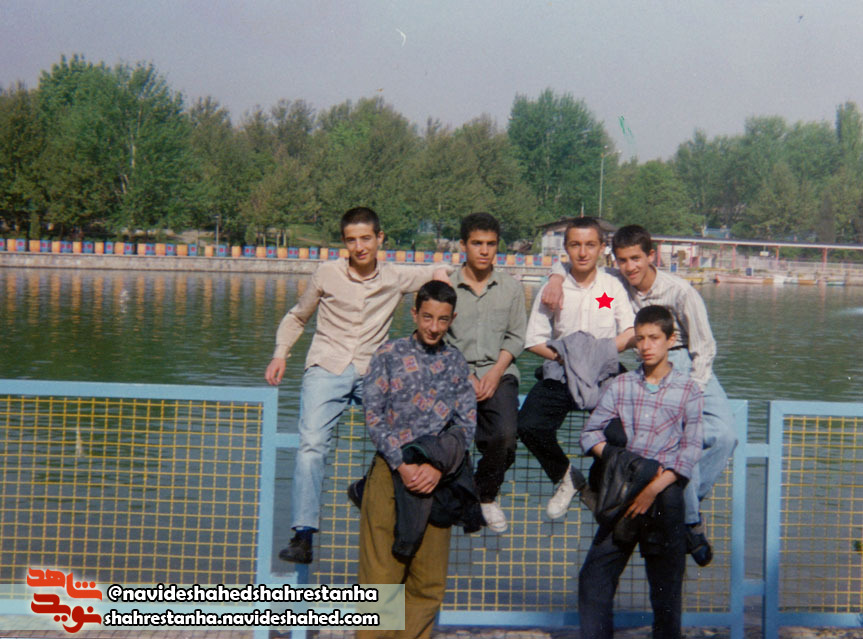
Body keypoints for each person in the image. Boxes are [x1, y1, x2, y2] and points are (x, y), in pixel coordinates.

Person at [264, 207, 450, 564]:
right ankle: (303, 535)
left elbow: (441, 271)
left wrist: (441, 273)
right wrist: (280, 354)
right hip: (327, 364)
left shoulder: (395, 276)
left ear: (380, 238)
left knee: (408, 433)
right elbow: (298, 316)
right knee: (311, 444)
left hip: (371, 370)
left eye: (366, 238)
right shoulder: (327, 273)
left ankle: (368, 489)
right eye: (351, 240)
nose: (359, 246)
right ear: (344, 242)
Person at [543, 224, 737, 566]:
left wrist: (690, 392)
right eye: (622, 260)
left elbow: (705, 347)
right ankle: (690, 522)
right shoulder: (616, 282)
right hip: (647, 366)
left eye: (636, 258)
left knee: (725, 437)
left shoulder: (680, 292)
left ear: (651, 256)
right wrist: (556, 277)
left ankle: (685, 499)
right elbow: (579, 262)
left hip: (689, 364)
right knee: (677, 442)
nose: (630, 267)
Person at [357, 280, 477, 639]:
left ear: (452, 319)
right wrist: (401, 462)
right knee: (380, 579)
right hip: (390, 470)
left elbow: (466, 423)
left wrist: (437, 466)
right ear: (414, 313)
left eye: (442, 319)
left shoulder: (456, 362)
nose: (434, 327)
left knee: (428, 581)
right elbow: (373, 414)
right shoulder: (388, 354)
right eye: (427, 317)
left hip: (436, 477)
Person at [579, 305, 703, 639]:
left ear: (671, 340)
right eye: (640, 339)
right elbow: (590, 434)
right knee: (594, 578)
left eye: (654, 338)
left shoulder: (688, 389)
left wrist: (654, 486)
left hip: (665, 497)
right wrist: (621, 460)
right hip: (624, 493)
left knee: (665, 590)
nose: (646, 346)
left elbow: (691, 449)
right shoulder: (622, 385)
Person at [518, 216, 635, 520]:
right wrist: (569, 358)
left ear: (601, 247)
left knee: (621, 435)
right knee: (529, 424)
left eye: (590, 245)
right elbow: (533, 340)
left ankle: (595, 486)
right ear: (566, 248)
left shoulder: (612, 286)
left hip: (604, 373)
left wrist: (598, 355)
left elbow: (631, 331)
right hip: (562, 371)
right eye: (575, 245)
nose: (583, 252)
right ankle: (567, 477)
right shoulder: (553, 288)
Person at [445, 213, 526, 533]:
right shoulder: (447, 287)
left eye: (491, 244)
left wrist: (494, 373)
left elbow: (516, 337)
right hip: (455, 372)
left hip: (500, 370)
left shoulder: (511, 288)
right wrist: (465, 375)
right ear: (463, 245)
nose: (484, 250)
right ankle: (459, 501)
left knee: (505, 436)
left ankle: (485, 494)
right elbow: (440, 338)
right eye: (476, 243)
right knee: (450, 440)